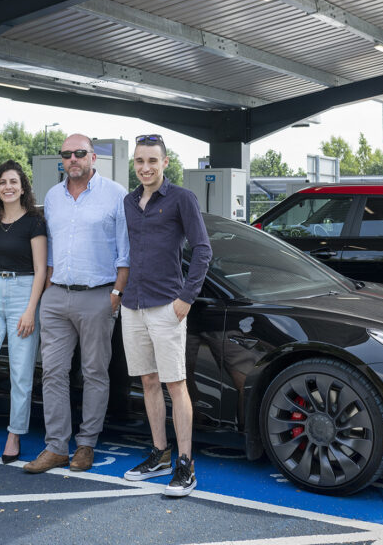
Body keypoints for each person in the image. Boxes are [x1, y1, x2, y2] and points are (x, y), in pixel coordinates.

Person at [23, 135, 129, 475]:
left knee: (95, 372)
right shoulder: (53, 197)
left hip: (99, 295)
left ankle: (86, 445)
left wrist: (116, 293)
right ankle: (55, 447)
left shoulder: (115, 194)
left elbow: (126, 251)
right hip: (57, 296)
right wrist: (48, 289)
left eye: (79, 153)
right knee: (53, 372)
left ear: (93, 158)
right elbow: (50, 248)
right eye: (67, 154)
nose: (73, 159)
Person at [120, 133, 211, 496]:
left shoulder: (181, 198)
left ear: (165, 162)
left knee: (176, 385)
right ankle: (159, 454)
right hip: (133, 306)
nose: (145, 167)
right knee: (148, 382)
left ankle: (185, 465)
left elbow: (203, 251)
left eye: (152, 161)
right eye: (140, 161)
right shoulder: (129, 202)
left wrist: (186, 298)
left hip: (166, 306)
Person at [0, 160, 47, 468]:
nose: (8, 187)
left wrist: (31, 309)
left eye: (13, 181)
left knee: (20, 372)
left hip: (23, 293)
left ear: (23, 187)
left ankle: (14, 435)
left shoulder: (34, 221)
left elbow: (41, 269)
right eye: (2, 182)